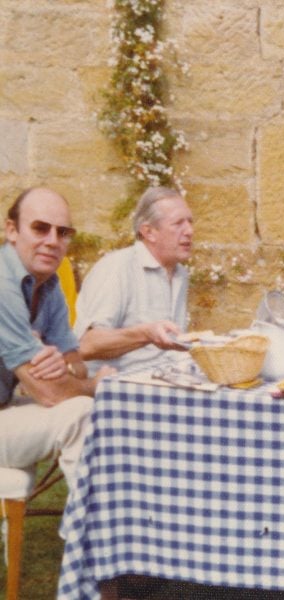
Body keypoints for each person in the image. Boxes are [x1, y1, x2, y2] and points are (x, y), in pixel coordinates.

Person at [0, 187, 112, 490]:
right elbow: (49, 393)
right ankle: (98, 532)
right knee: (82, 412)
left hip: (6, 406)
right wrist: (93, 387)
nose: (52, 241)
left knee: (94, 411)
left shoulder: (48, 286)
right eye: (40, 228)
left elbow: (77, 366)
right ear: (12, 230)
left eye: (62, 232)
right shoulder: (2, 282)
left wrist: (62, 366)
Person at [74, 186, 194, 375]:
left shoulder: (180, 273)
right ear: (149, 232)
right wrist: (145, 334)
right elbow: (87, 345)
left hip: (167, 382)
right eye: (178, 223)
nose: (189, 230)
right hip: (121, 390)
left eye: (190, 222)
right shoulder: (116, 267)